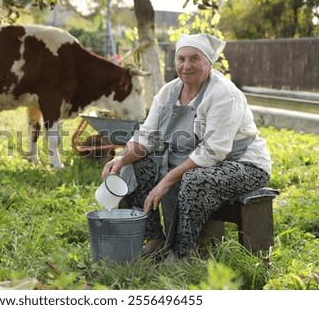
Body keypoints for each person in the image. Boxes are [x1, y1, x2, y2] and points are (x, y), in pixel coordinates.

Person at [101, 33, 272, 260]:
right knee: (136, 165)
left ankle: (184, 252)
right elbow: (148, 136)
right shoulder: (168, 92)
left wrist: (167, 180)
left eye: (194, 59)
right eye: (181, 59)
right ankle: (156, 240)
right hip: (194, 160)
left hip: (242, 164)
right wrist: (121, 159)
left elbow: (213, 151)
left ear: (208, 63)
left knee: (194, 180)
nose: (186, 65)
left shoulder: (224, 94)